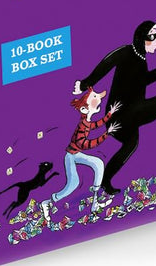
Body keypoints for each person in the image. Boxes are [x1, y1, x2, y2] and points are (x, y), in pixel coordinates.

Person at [74, 21, 156, 194]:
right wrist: (84, 84)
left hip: (131, 114)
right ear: (142, 38)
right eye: (153, 35)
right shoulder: (127, 52)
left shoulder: (141, 59)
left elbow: (143, 80)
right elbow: (106, 64)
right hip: (120, 115)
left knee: (131, 144)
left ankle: (104, 181)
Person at [40, 88, 120, 223]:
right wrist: (106, 134)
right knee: (73, 183)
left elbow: (96, 124)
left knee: (98, 163)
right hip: (71, 156)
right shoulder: (82, 126)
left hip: (77, 153)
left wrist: (110, 114)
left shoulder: (86, 122)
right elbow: (87, 144)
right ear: (84, 109)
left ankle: (95, 202)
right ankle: (47, 202)